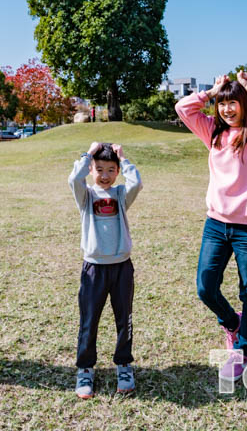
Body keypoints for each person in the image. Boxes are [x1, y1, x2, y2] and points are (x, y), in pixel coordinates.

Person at [174, 71, 247, 384]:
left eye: (233, 103)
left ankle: (242, 350)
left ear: (244, 104)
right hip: (216, 224)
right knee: (205, 286)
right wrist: (212, 91)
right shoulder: (213, 133)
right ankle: (233, 323)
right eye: (223, 103)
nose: (227, 109)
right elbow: (183, 109)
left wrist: (245, 85)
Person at [67, 142, 142, 398]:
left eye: (111, 169)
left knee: (124, 319)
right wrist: (87, 153)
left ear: (118, 171)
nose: (105, 175)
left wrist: (124, 157)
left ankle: (123, 364)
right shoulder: (86, 195)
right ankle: (85, 369)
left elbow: (137, 184)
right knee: (89, 321)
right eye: (99, 169)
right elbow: (73, 178)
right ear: (91, 169)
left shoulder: (120, 195)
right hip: (94, 269)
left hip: (121, 267)